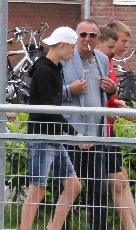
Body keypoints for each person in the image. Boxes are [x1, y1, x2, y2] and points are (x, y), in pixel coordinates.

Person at [21, 26, 83, 230]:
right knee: (37, 189)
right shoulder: (44, 71)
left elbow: (52, 108)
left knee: (73, 186)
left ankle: (53, 227)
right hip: (42, 136)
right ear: (62, 45)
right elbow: (49, 109)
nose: (73, 52)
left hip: (52, 136)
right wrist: (75, 133)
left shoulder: (53, 69)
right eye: (72, 47)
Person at [64, 18, 117, 230]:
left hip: (96, 136)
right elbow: (50, 93)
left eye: (92, 35)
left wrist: (112, 90)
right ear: (76, 37)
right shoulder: (66, 58)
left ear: (98, 39)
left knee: (99, 190)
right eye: (83, 35)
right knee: (67, 190)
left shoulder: (102, 59)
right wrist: (70, 90)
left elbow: (104, 94)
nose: (87, 39)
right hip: (72, 136)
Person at [103, 21, 136, 230]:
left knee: (122, 179)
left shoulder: (110, 62)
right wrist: (115, 108)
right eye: (123, 41)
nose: (126, 46)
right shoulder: (103, 62)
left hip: (109, 128)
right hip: (102, 131)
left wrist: (116, 105)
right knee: (117, 181)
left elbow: (107, 98)